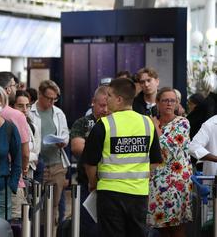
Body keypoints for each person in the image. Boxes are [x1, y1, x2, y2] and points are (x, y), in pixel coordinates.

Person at [82, 78, 162, 237]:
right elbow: (155, 161)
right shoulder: (147, 123)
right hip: (138, 194)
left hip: (110, 193)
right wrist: (140, 179)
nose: (106, 99)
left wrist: (93, 183)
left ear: (119, 100)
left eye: (109, 95)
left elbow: (90, 162)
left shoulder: (104, 124)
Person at [148, 88, 193, 235]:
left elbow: (169, 150)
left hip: (176, 181)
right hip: (155, 180)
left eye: (172, 101)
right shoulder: (150, 121)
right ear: (157, 102)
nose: (169, 104)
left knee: (176, 226)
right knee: (162, 227)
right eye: (165, 100)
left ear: (177, 104)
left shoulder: (182, 123)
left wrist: (155, 127)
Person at [0, 85, 31, 219]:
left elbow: (18, 159)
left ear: (4, 104)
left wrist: (12, 186)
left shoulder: (9, 128)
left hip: (0, 190)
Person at [70, 85, 110, 236]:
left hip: (111, 183)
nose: (105, 109)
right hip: (87, 182)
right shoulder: (83, 123)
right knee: (87, 227)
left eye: (108, 105)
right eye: (102, 105)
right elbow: (77, 147)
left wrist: (92, 147)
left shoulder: (115, 123)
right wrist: (106, 149)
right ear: (93, 102)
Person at [28, 80, 69, 225]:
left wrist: (63, 141)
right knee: (35, 204)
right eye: (49, 98)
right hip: (38, 164)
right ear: (40, 94)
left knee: (53, 206)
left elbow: (65, 134)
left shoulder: (58, 113)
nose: (52, 102)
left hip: (57, 164)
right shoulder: (30, 112)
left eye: (55, 99)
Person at [13, 90, 40, 179]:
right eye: (20, 106)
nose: (25, 110)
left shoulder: (32, 126)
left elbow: (36, 153)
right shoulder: (8, 126)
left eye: (27, 106)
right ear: (12, 106)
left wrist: (27, 156)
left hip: (29, 172)